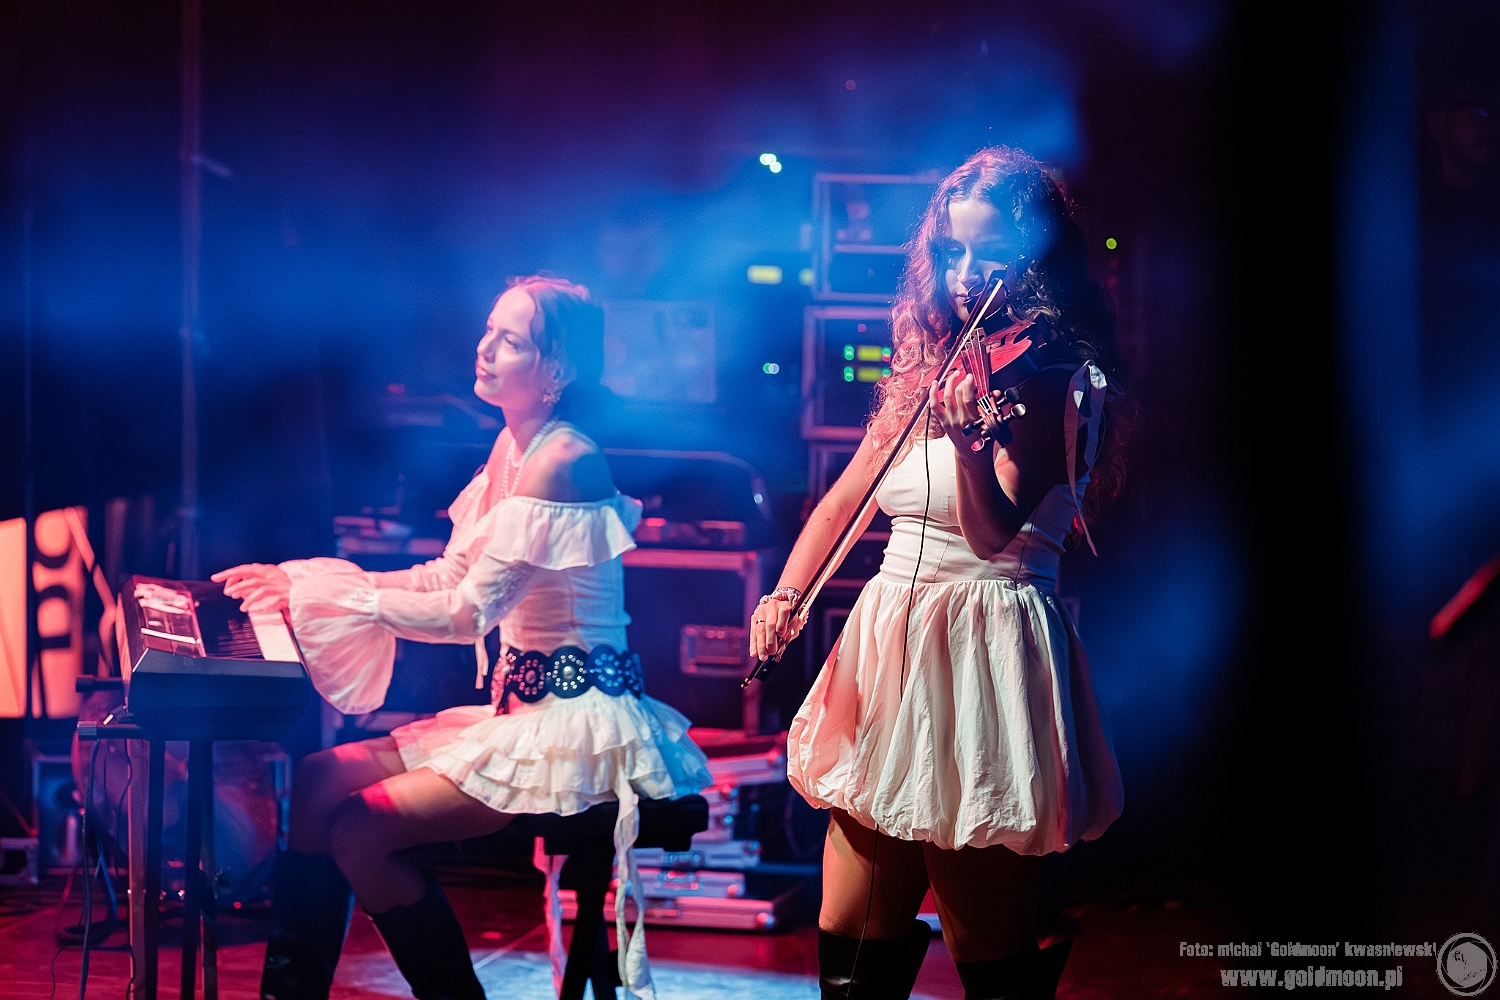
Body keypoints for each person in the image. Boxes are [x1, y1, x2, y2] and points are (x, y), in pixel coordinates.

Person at [212, 275, 712, 1000]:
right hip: (522, 713)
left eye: (510, 341)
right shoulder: (511, 447)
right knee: (319, 781)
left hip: (579, 726)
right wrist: (305, 579)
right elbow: (449, 573)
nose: (484, 349)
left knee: (361, 829)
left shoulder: (564, 460)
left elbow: (467, 615)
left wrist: (328, 599)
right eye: (488, 332)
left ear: (557, 369)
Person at [751, 146, 1128, 1000]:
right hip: (891, 641)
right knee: (849, 930)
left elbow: (993, 537)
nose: (965, 275)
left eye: (990, 253)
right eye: (951, 250)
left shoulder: (1056, 379)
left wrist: (966, 447)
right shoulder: (928, 369)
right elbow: (846, 499)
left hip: (983, 646)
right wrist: (786, 595)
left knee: (982, 942)